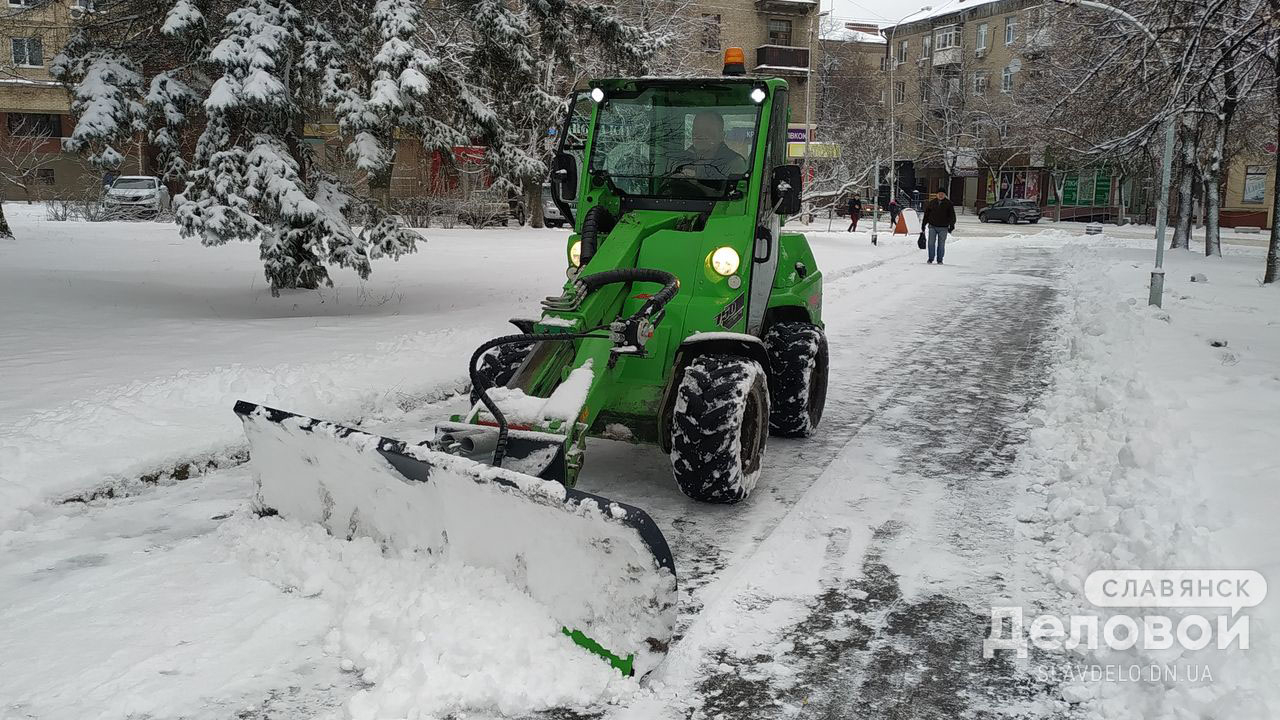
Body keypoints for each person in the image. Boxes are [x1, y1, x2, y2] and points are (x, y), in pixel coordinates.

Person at [666, 111, 747, 188]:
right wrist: (671, 181)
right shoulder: (679, 161)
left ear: (721, 136)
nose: (700, 135)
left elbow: (733, 197)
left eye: (708, 131)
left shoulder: (734, 163)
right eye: (696, 130)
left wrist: (695, 184)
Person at [922, 189, 956, 265]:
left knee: (941, 244)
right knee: (931, 243)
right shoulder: (932, 203)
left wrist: (952, 225)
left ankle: (940, 259)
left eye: (942, 194)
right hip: (932, 226)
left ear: (945, 195)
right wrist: (923, 225)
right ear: (936, 194)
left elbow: (952, 216)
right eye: (939, 194)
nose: (941, 195)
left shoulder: (949, 204)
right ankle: (930, 258)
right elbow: (926, 215)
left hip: (943, 227)